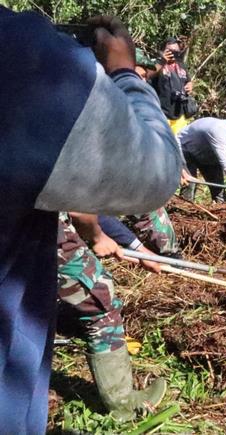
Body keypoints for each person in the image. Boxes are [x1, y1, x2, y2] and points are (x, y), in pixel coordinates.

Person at [1, 11, 181, 432]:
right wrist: (122, 72)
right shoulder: (29, 59)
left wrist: (130, 245)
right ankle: (122, 405)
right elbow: (148, 178)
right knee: (101, 301)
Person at [57, 213, 164, 421]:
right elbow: (80, 208)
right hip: (48, 232)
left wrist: (138, 250)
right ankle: (124, 405)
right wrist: (97, 236)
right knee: (101, 301)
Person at [150, 37, 194, 134]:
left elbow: (188, 80)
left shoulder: (181, 65)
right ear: (162, 51)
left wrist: (190, 85)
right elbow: (148, 75)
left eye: (176, 52)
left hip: (179, 115)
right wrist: (162, 61)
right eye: (170, 51)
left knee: (175, 146)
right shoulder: (155, 63)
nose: (173, 54)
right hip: (160, 114)